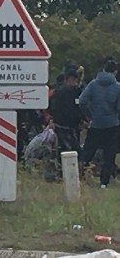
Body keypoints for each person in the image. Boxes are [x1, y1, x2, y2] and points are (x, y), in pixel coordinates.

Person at [79, 59, 120, 188]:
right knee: (109, 154)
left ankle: (80, 177)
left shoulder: (93, 84)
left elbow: (82, 101)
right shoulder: (117, 87)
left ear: (103, 69)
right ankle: (104, 183)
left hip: (95, 124)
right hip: (112, 125)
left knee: (88, 152)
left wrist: (89, 115)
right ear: (115, 71)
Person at [48, 69, 84, 165]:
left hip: (59, 124)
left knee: (62, 148)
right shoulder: (73, 91)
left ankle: (61, 168)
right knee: (74, 149)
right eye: (74, 80)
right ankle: (72, 168)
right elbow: (76, 108)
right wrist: (80, 119)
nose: (75, 83)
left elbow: (51, 108)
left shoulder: (57, 91)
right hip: (70, 125)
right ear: (70, 79)